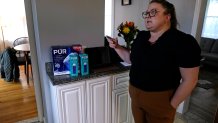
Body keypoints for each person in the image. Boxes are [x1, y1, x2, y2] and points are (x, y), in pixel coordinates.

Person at [107, 0, 201, 123]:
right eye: (146, 13)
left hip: (160, 99)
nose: (148, 16)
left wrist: (171, 106)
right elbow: (131, 59)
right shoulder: (141, 36)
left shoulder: (184, 42)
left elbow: (190, 80)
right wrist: (117, 47)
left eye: (153, 12)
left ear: (168, 16)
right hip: (135, 94)